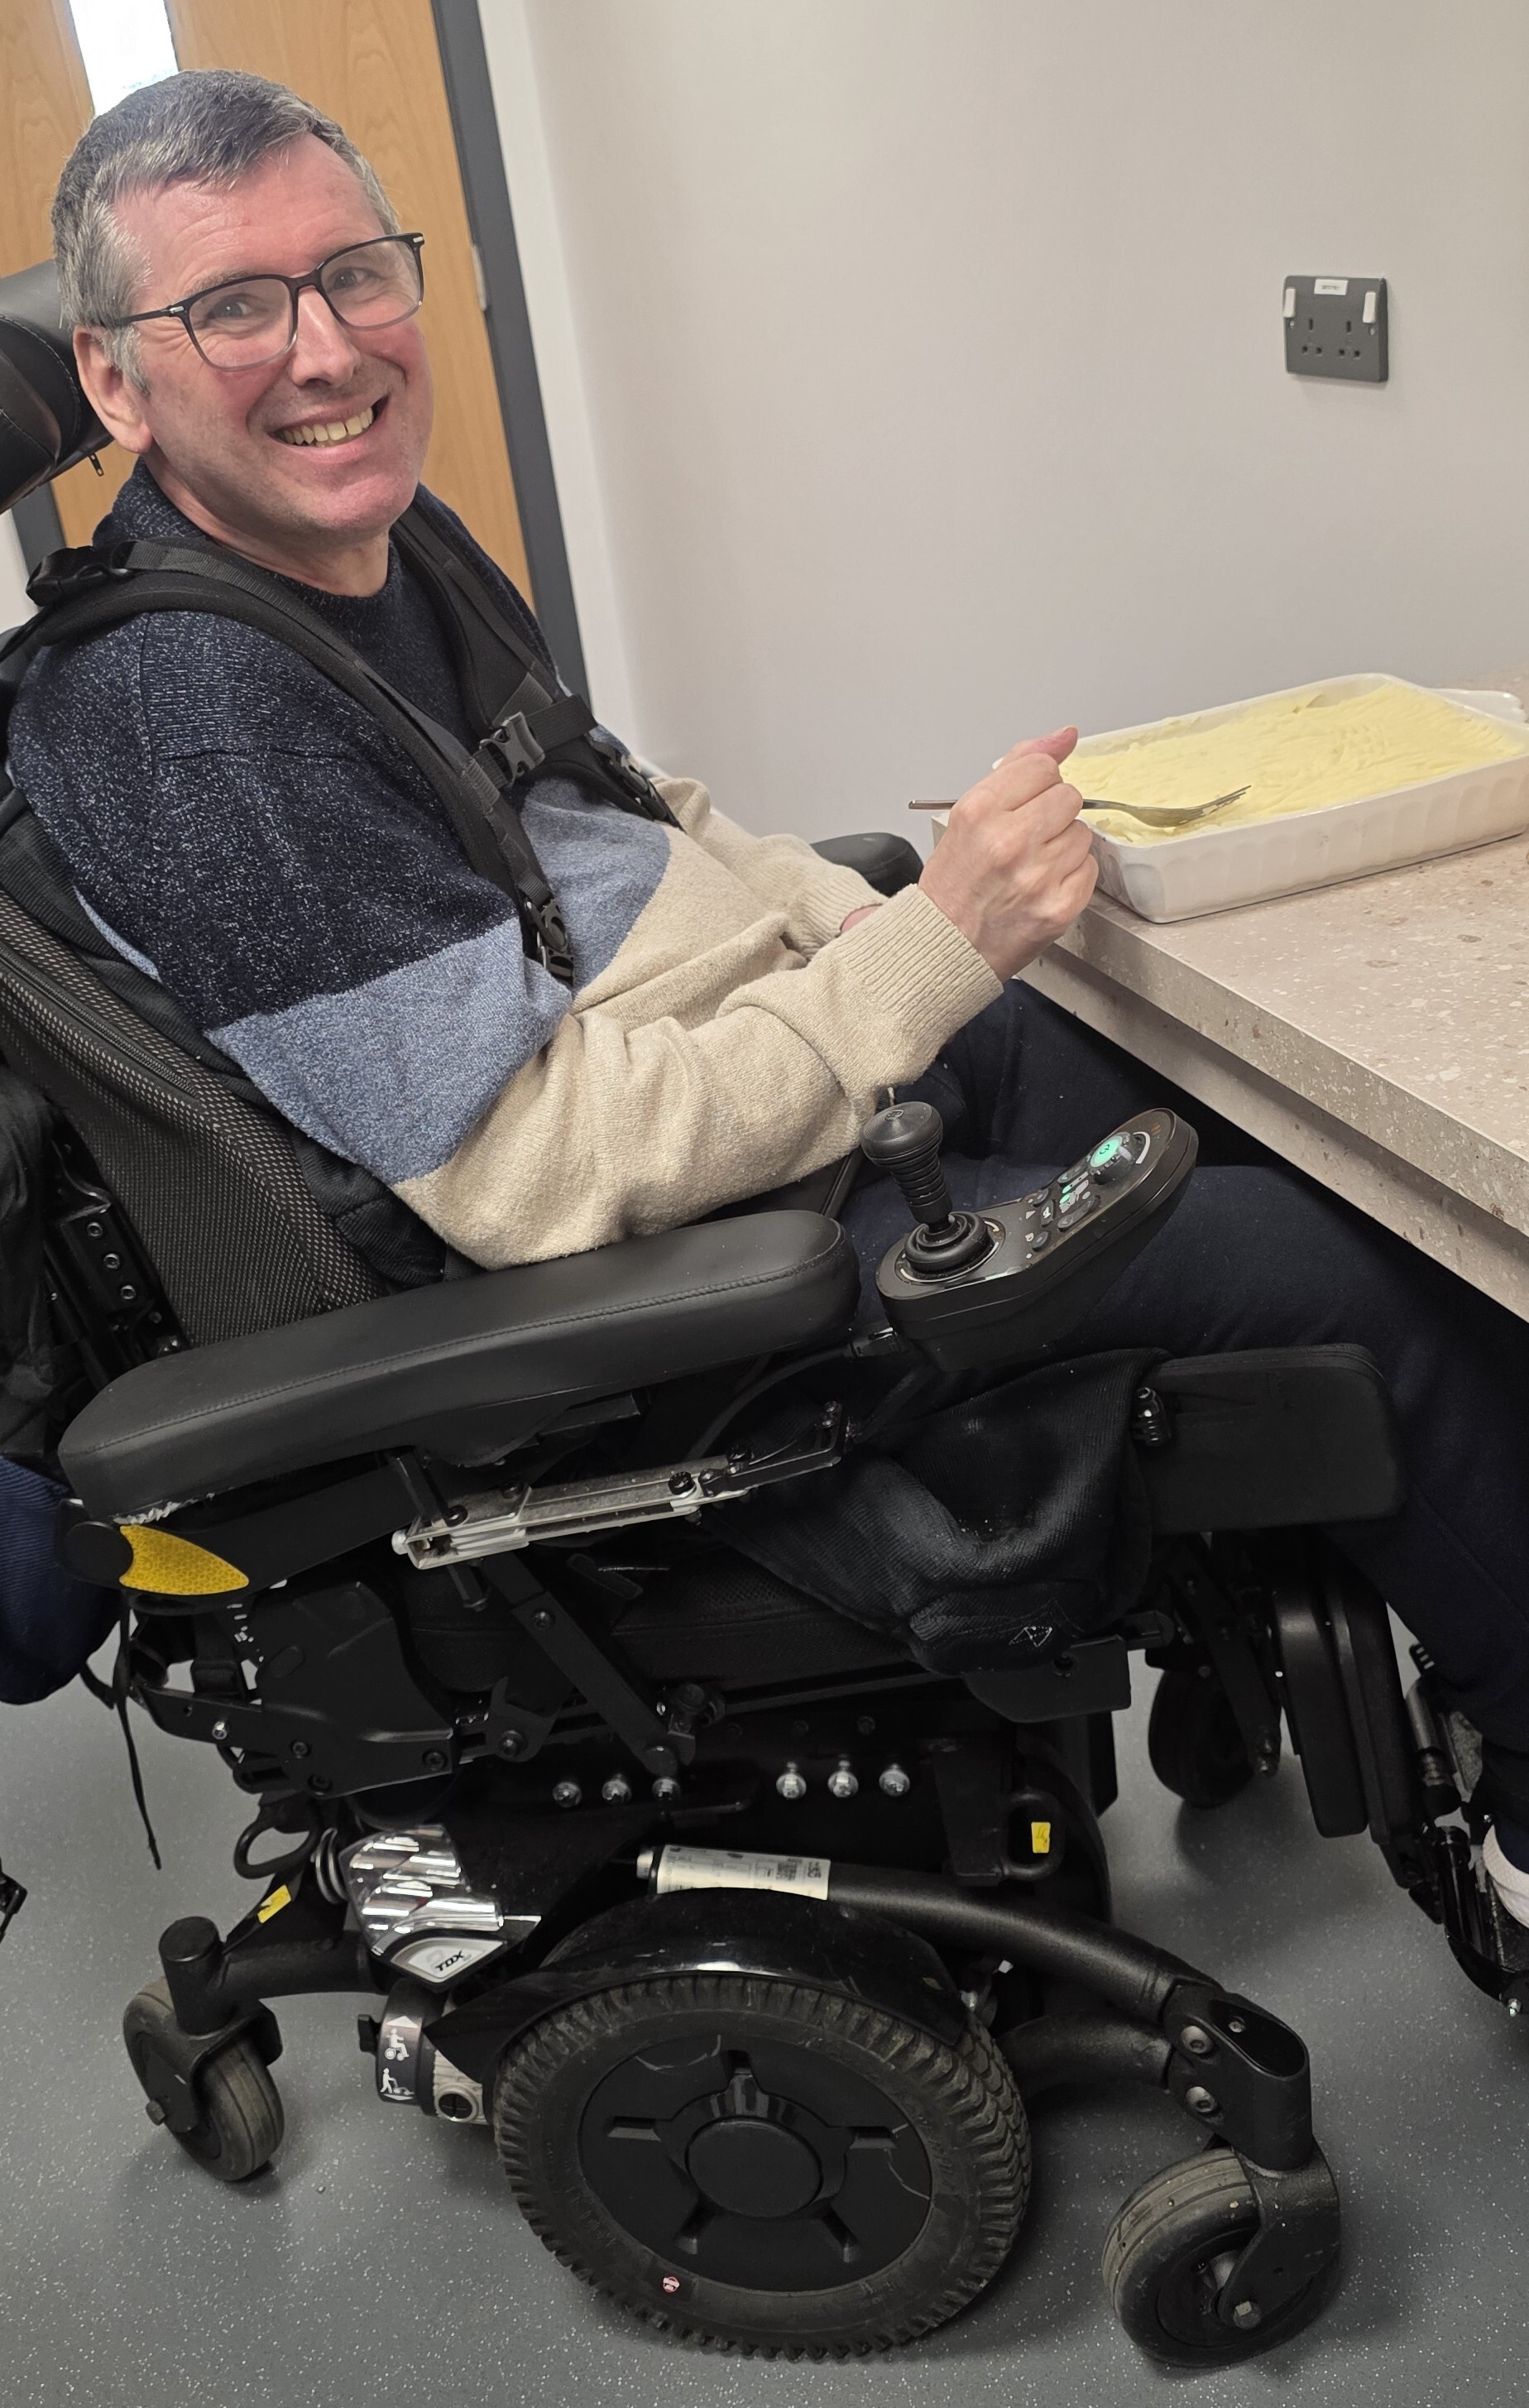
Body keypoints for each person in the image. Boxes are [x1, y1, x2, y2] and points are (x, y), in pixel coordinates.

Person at [10, 70, 1529, 1926]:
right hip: (678, 1281)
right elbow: (536, 1180)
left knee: (1321, 1138)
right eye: (236, 306)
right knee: (1349, 1284)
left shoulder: (372, 536)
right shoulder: (195, 718)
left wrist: (898, 931)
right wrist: (938, 949)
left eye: (358, 275)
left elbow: (637, 812)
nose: (328, 351)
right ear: (111, 378)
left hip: (784, 1101)